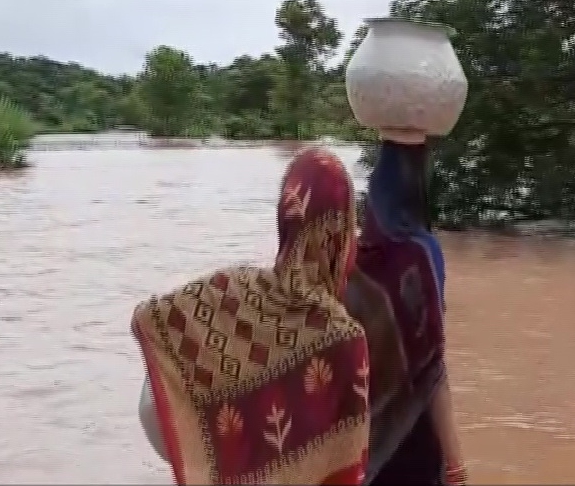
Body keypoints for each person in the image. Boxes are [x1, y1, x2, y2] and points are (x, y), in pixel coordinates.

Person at [133, 147, 369, 485]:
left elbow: (148, 322)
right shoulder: (343, 336)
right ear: (342, 233)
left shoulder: (230, 291)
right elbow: (347, 465)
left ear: (284, 220)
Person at [344, 138, 467, 486]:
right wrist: (457, 466)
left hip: (364, 443)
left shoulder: (350, 260)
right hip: (416, 436)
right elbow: (432, 367)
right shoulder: (422, 254)